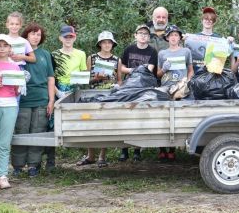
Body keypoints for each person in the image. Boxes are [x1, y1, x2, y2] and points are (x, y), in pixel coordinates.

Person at [12, 23, 56, 175]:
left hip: (41, 99)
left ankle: (33, 165)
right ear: (26, 36)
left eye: (38, 34)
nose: (36, 37)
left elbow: (51, 78)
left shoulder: (45, 54)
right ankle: (18, 166)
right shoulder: (17, 53)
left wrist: (51, 101)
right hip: (22, 99)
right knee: (21, 131)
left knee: (38, 132)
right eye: (33, 34)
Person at [76, 31, 120, 168]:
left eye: (109, 42)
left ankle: (102, 156)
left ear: (112, 44)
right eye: (104, 42)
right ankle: (90, 155)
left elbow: (119, 80)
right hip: (93, 94)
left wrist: (118, 86)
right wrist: (96, 78)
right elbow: (86, 79)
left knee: (105, 125)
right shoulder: (92, 58)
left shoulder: (117, 59)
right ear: (100, 44)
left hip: (109, 95)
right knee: (90, 124)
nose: (107, 45)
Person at [0, 34, 22, 191]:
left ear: (10, 48)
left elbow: (17, 91)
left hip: (10, 105)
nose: (2, 48)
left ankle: (2, 175)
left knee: (5, 143)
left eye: (5, 46)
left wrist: (17, 86)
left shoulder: (15, 67)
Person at [118, 24, 158, 161]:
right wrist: (132, 71)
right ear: (135, 35)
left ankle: (137, 150)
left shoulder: (152, 52)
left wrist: (135, 70)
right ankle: (124, 150)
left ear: (149, 37)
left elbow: (150, 69)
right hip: (128, 87)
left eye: (146, 34)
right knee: (124, 118)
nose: (143, 35)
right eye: (140, 33)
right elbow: (121, 67)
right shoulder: (129, 49)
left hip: (143, 88)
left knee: (139, 119)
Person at [157, 25, 194, 160]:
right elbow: (158, 74)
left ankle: (172, 149)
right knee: (163, 119)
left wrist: (188, 81)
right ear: (167, 38)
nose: (173, 37)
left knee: (177, 118)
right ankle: (161, 149)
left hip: (181, 88)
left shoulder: (186, 51)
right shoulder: (162, 53)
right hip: (166, 88)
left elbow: (190, 70)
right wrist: (164, 69)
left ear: (179, 37)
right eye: (171, 35)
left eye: (176, 35)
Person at [51, 25, 88, 96]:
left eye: (71, 37)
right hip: (60, 89)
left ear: (75, 38)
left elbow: (83, 72)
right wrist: (57, 92)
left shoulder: (81, 54)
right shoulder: (54, 54)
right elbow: (50, 76)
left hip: (76, 89)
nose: (68, 39)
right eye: (65, 37)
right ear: (60, 38)